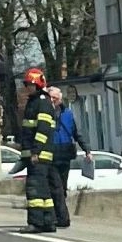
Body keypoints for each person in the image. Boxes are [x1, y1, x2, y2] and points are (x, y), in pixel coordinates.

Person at [18, 67, 58, 233]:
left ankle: (35, 223)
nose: (28, 87)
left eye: (30, 84)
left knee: (34, 189)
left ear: (38, 85)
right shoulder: (36, 101)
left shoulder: (41, 102)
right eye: (27, 84)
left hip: (38, 155)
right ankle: (49, 221)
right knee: (43, 190)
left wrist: (35, 151)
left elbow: (42, 130)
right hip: (40, 154)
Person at [46, 86, 92, 229]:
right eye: (51, 98)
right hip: (51, 155)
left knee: (62, 188)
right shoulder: (44, 113)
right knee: (56, 188)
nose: (53, 100)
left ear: (60, 99)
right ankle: (62, 218)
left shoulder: (68, 114)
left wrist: (87, 150)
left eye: (55, 98)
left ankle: (58, 215)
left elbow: (77, 134)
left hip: (65, 155)